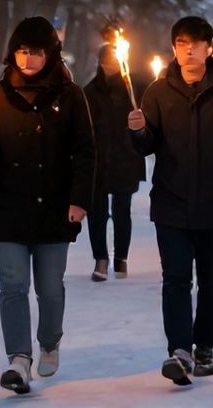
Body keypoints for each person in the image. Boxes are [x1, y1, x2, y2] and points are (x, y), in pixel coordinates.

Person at [0, 16, 96, 394]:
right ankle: (18, 359)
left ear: (50, 53)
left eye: (36, 51)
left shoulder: (70, 96)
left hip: (56, 206)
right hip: (10, 204)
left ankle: (50, 341)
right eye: (22, 51)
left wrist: (79, 200)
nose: (28, 58)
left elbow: (86, 152)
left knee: (50, 286)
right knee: (13, 284)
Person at [127, 17, 213, 384]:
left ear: (208, 48)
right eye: (182, 43)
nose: (188, 49)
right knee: (176, 279)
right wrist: (138, 132)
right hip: (171, 202)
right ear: (173, 48)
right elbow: (148, 144)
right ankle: (179, 350)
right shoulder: (157, 91)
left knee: (211, 281)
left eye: (196, 44)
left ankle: (204, 346)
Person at [84, 44, 147, 281]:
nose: (110, 65)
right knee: (97, 212)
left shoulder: (132, 88)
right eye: (106, 60)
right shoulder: (90, 91)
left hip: (125, 158)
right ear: (100, 62)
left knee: (122, 210)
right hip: (98, 160)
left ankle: (121, 258)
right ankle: (101, 258)